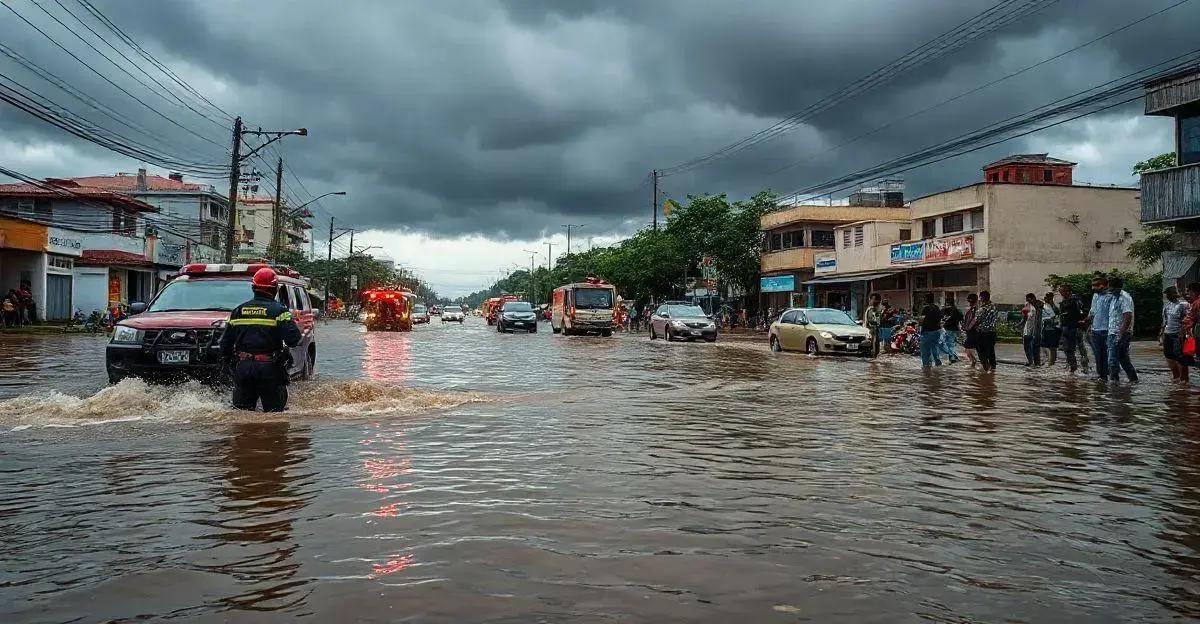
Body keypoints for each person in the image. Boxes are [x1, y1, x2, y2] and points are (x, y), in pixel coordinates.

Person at [219, 268, 302, 412]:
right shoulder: (280, 311)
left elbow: (225, 344)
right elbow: (293, 340)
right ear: (275, 289)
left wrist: (228, 364)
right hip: (270, 369)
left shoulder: (238, 311)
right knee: (275, 417)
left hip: (243, 368)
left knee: (242, 416)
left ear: (253, 288)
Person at [1105, 275, 1138, 384]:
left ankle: (1114, 383)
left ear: (1117, 287)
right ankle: (1133, 380)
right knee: (1123, 359)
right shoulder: (1114, 298)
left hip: (1120, 333)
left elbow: (1127, 316)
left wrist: (1120, 334)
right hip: (1112, 332)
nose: (1109, 289)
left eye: (1111, 287)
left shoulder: (1125, 298)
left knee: (1112, 359)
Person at [1083, 274, 1112, 380]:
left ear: (1104, 285)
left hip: (1107, 330)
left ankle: (1112, 376)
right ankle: (1101, 376)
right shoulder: (1095, 296)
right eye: (1092, 285)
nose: (1093, 288)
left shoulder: (1111, 296)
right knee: (1098, 355)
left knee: (1109, 355)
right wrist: (1087, 322)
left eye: (1096, 285)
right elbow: (1092, 311)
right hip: (1095, 329)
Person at [1057, 283, 1090, 374]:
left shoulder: (1075, 300)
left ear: (1068, 291)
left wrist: (1082, 322)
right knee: (1067, 349)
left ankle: (1084, 367)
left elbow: (1081, 312)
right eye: (1060, 291)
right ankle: (1072, 367)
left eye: (1062, 291)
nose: (1061, 293)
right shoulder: (1064, 301)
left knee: (1080, 348)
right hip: (1066, 327)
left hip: (1076, 327)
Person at [1161, 286, 1191, 385]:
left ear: (1174, 294)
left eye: (1169, 295)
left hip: (1177, 335)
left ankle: (1184, 380)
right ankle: (1176, 378)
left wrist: (1182, 333)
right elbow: (1165, 321)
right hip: (1167, 334)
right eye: (1167, 295)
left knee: (1180, 357)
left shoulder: (1182, 305)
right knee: (1169, 356)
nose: (1167, 297)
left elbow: (1187, 320)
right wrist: (1161, 334)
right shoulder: (1167, 306)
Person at [975, 291, 999, 372]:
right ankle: (993, 368)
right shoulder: (994, 307)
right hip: (992, 332)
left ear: (982, 298)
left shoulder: (982, 309)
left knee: (981, 351)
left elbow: (977, 320)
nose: (979, 299)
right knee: (991, 350)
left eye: (980, 297)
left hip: (983, 332)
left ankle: (986, 368)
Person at [918, 293, 943, 368]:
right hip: (936, 331)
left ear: (926, 299)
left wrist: (919, 321)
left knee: (925, 351)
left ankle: (926, 366)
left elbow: (921, 320)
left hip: (927, 331)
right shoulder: (937, 308)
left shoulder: (926, 308)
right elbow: (940, 319)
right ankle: (938, 363)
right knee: (934, 348)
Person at [1021, 293, 1043, 366]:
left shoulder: (1037, 307)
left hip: (1034, 329)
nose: (1027, 301)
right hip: (1033, 329)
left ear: (1033, 298)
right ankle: (1034, 362)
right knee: (1033, 346)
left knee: (1031, 346)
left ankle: (1033, 362)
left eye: (1028, 299)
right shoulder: (1035, 306)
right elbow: (1025, 318)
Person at [940, 294, 962, 364]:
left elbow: (941, 318)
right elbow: (961, 317)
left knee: (948, 343)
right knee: (951, 343)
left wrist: (945, 322)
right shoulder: (956, 309)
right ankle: (954, 356)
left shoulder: (945, 309)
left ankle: (952, 357)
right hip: (955, 329)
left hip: (948, 329)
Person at [1041, 291, 1061, 367]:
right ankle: (1048, 361)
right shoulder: (1044, 306)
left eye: (1049, 297)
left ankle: (1051, 363)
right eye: (1046, 297)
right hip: (1046, 328)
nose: (1046, 298)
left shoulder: (1054, 307)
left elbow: (1057, 316)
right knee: (1044, 346)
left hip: (1053, 329)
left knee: (1053, 348)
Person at [962, 293, 980, 368]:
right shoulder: (972, 309)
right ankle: (974, 363)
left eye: (969, 301)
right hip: (971, 332)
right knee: (968, 349)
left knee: (968, 349)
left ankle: (974, 362)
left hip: (973, 332)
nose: (969, 302)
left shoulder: (975, 309)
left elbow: (974, 320)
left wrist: (967, 327)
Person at [863, 293, 883, 357]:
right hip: (870, 330)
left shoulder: (878, 309)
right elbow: (868, 320)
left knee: (875, 346)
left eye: (871, 299)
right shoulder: (870, 309)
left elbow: (876, 320)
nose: (870, 301)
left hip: (874, 331)